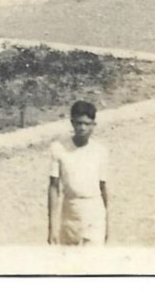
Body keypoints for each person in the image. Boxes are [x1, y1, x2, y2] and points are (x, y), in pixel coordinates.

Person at [48, 100, 110, 245]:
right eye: (79, 123)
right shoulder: (58, 148)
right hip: (69, 213)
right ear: (72, 123)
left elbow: (103, 188)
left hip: (94, 213)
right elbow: (53, 187)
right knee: (70, 264)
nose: (82, 128)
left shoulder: (100, 152)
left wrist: (107, 224)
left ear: (93, 125)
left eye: (87, 124)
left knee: (92, 262)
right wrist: (52, 227)